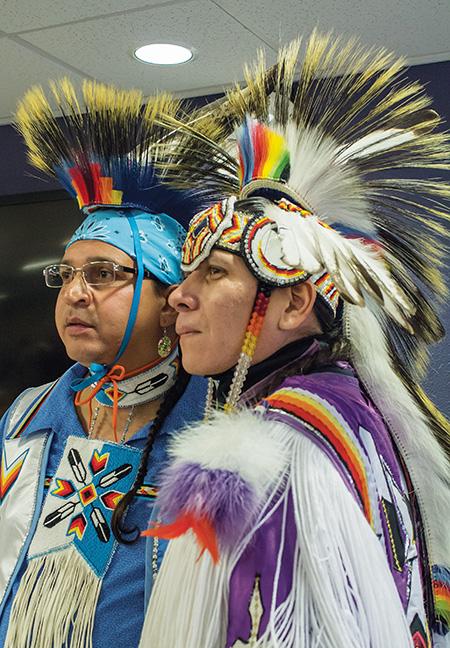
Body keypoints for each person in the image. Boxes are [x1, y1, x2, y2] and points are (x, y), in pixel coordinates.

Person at [139, 33, 450, 647]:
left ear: (295, 302)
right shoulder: (349, 406)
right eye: (185, 272)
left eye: (216, 272)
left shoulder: (273, 449)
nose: (179, 296)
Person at [0, 79, 209, 648]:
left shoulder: (215, 431)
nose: (74, 293)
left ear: (171, 301)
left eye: (103, 273)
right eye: (65, 274)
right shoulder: (26, 416)